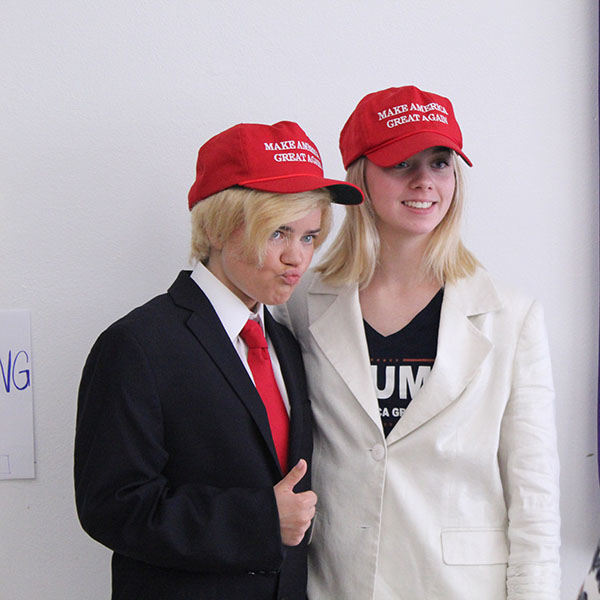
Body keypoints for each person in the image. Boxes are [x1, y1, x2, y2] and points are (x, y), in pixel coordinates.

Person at [275, 86, 561, 599]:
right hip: (337, 582)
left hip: (459, 587)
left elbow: (533, 493)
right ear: (359, 177)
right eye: (401, 163)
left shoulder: (509, 315)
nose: (425, 181)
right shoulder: (301, 304)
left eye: (440, 162)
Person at [74, 120, 363, 600]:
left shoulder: (286, 343)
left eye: (310, 237)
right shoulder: (137, 346)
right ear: (220, 228)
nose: (298, 258)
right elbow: (112, 506)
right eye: (279, 233)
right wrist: (260, 520)